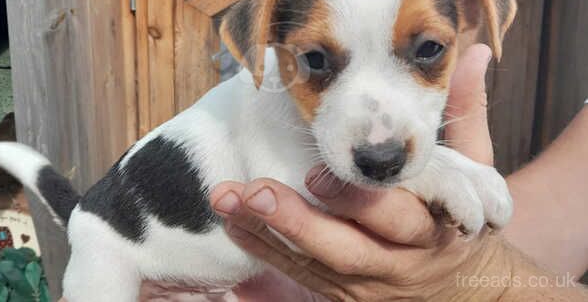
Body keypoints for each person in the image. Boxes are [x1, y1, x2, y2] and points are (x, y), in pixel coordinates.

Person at [64, 44, 588, 300]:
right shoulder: (261, 96)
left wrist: (484, 286)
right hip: (118, 242)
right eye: (319, 59)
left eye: (425, 52)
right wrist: (468, 272)